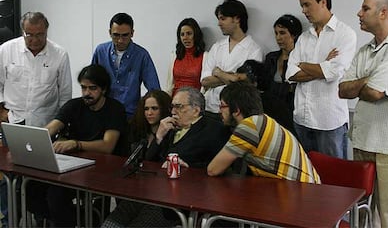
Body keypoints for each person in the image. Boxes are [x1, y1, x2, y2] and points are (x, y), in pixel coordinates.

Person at [102, 87, 231, 227]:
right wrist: (158, 136)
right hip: (150, 191)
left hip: (175, 201)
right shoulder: (169, 128)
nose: (173, 111)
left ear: (196, 110)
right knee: (110, 223)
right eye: (172, 107)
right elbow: (147, 162)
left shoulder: (213, 129)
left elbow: (219, 167)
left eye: (179, 107)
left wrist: (190, 168)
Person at [339, 0, 388, 227]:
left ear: (383, 13)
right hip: (363, 141)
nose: (359, 14)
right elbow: (343, 90)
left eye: (365, 9)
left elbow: (375, 93)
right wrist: (371, 78)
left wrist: (364, 82)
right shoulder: (365, 50)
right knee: (362, 214)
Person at [26, 64, 127, 227]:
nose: (87, 93)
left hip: (101, 168)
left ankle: (73, 220)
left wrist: (76, 144)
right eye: (84, 88)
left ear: (104, 89)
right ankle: (83, 219)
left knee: (55, 194)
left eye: (92, 88)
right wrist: (32, 139)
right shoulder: (74, 105)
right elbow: (52, 127)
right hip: (72, 167)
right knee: (30, 188)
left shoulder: (114, 109)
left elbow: (108, 145)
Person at [0, 11, 72, 228]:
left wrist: (62, 126)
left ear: (46, 31)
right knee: (8, 176)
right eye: (29, 34)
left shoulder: (59, 54)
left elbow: (65, 95)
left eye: (39, 34)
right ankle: (9, 219)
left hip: (45, 126)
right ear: (23, 32)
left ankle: (40, 218)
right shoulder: (6, 50)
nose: (34, 40)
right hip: (13, 123)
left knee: (40, 179)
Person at [285, 0, 356, 158]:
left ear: (323, 2)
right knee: (307, 178)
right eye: (302, 6)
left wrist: (303, 65)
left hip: (329, 121)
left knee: (334, 181)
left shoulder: (345, 34)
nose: (303, 11)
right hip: (302, 118)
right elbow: (290, 74)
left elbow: (333, 72)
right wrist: (322, 66)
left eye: (307, 5)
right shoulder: (304, 38)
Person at [207, 82, 320, 184]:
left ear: (236, 110)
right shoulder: (264, 121)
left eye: (222, 106)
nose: (219, 111)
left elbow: (213, 169)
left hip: (298, 194)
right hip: (305, 191)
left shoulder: (250, 125)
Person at [201, 0, 263, 120]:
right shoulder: (217, 46)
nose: (219, 23)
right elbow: (205, 81)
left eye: (223, 18)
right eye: (218, 19)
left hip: (237, 113)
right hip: (211, 108)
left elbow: (246, 85)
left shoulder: (254, 49)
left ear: (236, 19)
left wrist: (219, 73)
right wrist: (232, 77)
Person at [92, 12, 160, 118]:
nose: (120, 40)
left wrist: (146, 110)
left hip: (130, 115)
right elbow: (92, 83)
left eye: (125, 35)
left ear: (132, 33)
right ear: (110, 32)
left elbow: (154, 89)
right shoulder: (100, 51)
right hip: (103, 113)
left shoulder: (141, 55)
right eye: (116, 35)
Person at [261, 14, 302, 135]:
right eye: (276, 33)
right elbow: (264, 84)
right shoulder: (271, 57)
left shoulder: (301, 59)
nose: (278, 37)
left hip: (291, 115)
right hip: (270, 113)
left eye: (282, 33)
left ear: (293, 35)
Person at [165, 17, 206, 96]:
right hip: (175, 100)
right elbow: (169, 85)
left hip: (194, 101)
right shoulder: (174, 56)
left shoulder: (205, 57)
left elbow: (204, 87)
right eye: (182, 34)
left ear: (196, 35)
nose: (185, 38)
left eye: (189, 33)